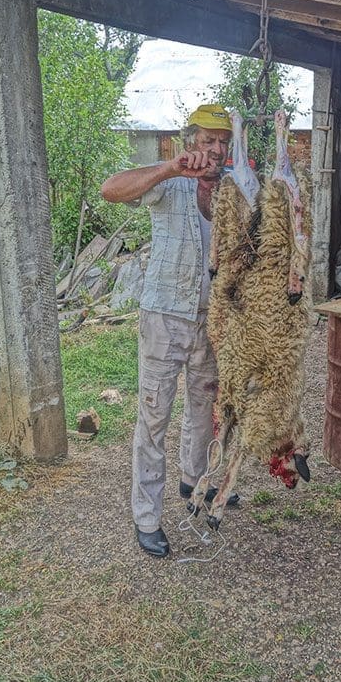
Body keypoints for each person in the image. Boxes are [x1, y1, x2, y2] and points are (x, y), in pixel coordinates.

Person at [101, 104, 239, 558]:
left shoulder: (235, 189)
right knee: (155, 414)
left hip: (212, 318)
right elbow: (110, 189)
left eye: (223, 140)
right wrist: (168, 168)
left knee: (204, 406)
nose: (216, 148)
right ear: (191, 141)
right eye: (208, 140)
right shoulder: (172, 181)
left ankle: (193, 480)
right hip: (164, 316)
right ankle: (146, 516)